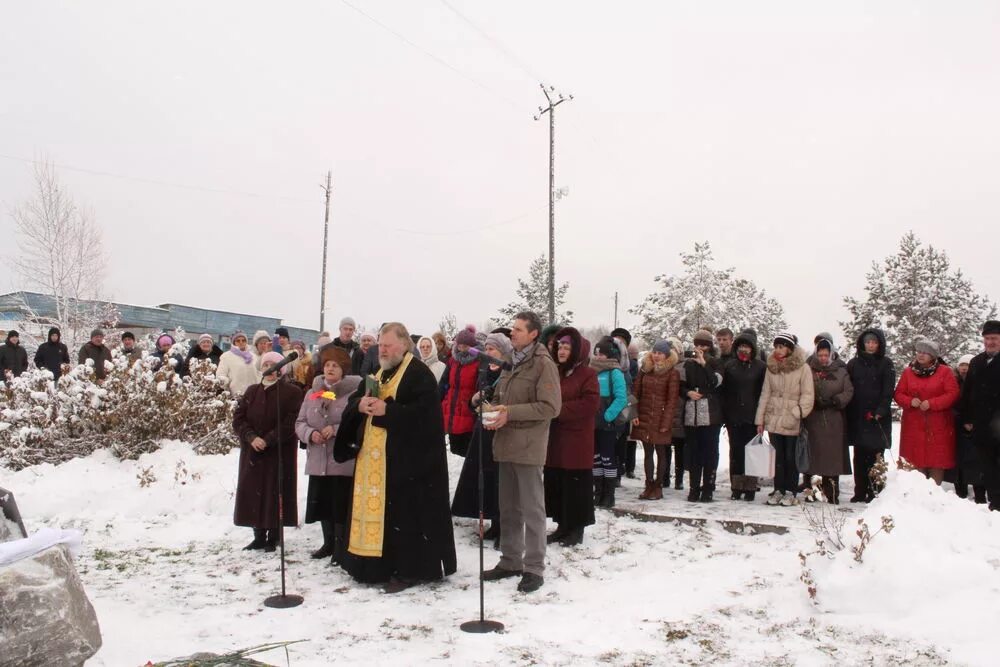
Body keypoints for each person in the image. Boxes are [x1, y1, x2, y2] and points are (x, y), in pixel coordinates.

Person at [333, 323, 457, 592]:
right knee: (385, 517)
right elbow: (356, 400)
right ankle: (372, 565)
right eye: (381, 344)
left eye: (388, 345)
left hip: (410, 465)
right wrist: (361, 405)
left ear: (404, 345)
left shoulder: (418, 374)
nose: (383, 349)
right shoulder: (380, 371)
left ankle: (410, 569)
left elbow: (426, 419)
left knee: (406, 518)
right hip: (378, 461)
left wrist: (388, 412)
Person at [482, 311, 561, 594]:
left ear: (533, 334)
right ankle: (511, 560)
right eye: (512, 329)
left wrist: (509, 412)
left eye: (517, 329)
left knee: (532, 510)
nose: (511, 333)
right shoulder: (510, 363)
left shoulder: (543, 364)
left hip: (528, 447)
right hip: (505, 445)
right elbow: (503, 396)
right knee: (509, 509)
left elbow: (550, 407)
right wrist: (487, 400)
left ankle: (534, 568)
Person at [295, 346, 361, 563]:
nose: (330, 368)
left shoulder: (353, 392)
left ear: (343, 370)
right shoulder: (313, 392)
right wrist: (311, 433)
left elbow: (357, 422)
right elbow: (300, 422)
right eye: (327, 365)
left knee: (339, 505)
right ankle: (328, 543)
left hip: (340, 459)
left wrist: (335, 428)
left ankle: (341, 548)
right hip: (318, 459)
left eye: (335, 365)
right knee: (323, 504)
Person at [232, 352, 304, 552]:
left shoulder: (291, 392)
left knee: (275, 491)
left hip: (278, 451)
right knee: (255, 491)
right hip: (253, 451)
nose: (270, 368)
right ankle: (258, 535)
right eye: (266, 364)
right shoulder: (252, 391)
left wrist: (269, 439)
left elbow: (291, 421)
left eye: (274, 364)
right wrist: (251, 437)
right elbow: (239, 419)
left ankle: (274, 535)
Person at [452, 332, 511, 545]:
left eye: (493, 349)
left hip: (502, 430)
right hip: (483, 429)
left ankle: (504, 525)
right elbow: (474, 401)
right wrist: (474, 400)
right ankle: (494, 522)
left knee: (500, 479)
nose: (488, 353)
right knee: (485, 477)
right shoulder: (485, 370)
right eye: (486, 349)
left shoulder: (509, 371)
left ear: (504, 352)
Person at [545, 327, 600, 546]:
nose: (562, 350)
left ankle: (576, 528)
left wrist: (557, 409)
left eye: (567, 346)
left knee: (576, 486)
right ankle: (562, 525)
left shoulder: (588, 374)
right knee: (558, 483)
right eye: (560, 346)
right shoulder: (555, 371)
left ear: (577, 350)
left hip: (576, 441)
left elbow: (590, 403)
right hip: (555, 441)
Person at [756, 332, 814, 507]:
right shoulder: (771, 367)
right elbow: (765, 394)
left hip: (791, 420)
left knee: (791, 457)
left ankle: (790, 491)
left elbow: (808, 395)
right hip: (774, 419)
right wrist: (760, 419)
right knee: (778, 458)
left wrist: (797, 413)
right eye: (776, 347)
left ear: (789, 348)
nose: (778, 350)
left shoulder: (803, 368)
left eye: (781, 347)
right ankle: (778, 489)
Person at [893, 337, 960, 486]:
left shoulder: (945, 372)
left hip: (938, 424)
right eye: (919, 352)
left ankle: (934, 495)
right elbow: (898, 394)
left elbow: (953, 393)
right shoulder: (908, 372)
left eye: (926, 353)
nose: (921, 355)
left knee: (936, 461)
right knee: (915, 461)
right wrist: (910, 401)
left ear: (933, 356)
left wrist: (932, 403)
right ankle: (916, 495)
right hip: (913, 423)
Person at [846, 328, 895, 503]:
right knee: (859, 456)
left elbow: (888, 390)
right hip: (858, 416)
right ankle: (860, 490)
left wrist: (881, 410)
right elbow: (848, 387)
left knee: (876, 457)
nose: (871, 345)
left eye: (874, 342)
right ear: (862, 343)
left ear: (879, 344)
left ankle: (875, 490)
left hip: (877, 418)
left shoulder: (886, 363)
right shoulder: (853, 363)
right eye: (868, 342)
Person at [803, 337, 854, 503]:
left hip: (833, 418)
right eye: (820, 355)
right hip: (814, 417)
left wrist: (835, 400)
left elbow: (848, 391)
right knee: (814, 455)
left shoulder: (840, 370)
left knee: (832, 457)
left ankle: (832, 491)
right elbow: (802, 387)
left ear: (831, 354)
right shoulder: (809, 369)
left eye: (826, 355)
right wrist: (812, 400)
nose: (823, 358)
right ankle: (812, 491)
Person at [631, 340, 680, 500]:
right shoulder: (644, 370)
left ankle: (658, 485)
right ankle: (649, 484)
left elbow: (672, 400)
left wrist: (666, 422)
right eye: (655, 352)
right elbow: (635, 393)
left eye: (660, 353)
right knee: (647, 453)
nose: (657, 356)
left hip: (660, 418)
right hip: (644, 416)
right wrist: (634, 414)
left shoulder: (672, 373)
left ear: (666, 355)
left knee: (661, 452)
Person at [721, 329, 766, 501]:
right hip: (734, 417)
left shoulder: (760, 367)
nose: (744, 350)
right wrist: (726, 415)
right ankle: (736, 486)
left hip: (752, 416)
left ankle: (750, 487)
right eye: (741, 346)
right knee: (736, 452)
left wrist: (762, 417)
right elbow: (725, 392)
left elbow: (763, 393)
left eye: (747, 346)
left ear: (752, 348)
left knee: (752, 453)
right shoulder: (730, 366)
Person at [681, 330, 725, 502]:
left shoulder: (716, 363)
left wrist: (704, 363)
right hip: (692, 414)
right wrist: (688, 393)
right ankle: (693, 488)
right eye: (697, 345)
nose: (700, 349)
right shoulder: (687, 364)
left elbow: (715, 382)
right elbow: (680, 386)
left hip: (711, 415)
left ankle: (708, 488)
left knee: (710, 452)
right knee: (693, 452)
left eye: (704, 345)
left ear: (710, 346)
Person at [960, 321, 1000, 510]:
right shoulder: (976, 362)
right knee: (987, 465)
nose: (990, 342)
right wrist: (967, 418)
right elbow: (967, 393)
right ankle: (995, 502)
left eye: (994, 338)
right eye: (987, 338)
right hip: (982, 425)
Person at [589, 336, 629, 508]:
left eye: (601, 354)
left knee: (607, 457)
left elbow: (621, 398)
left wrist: (607, 416)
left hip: (607, 423)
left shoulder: (615, 372)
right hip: (592, 423)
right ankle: (598, 492)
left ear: (609, 355)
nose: (598, 357)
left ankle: (609, 494)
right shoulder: (592, 371)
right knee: (595, 458)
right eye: (596, 353)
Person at [439, 325, 480, 457]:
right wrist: (440, 400)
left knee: (468, 451)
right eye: (459, 345)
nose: (461, 348)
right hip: (451, 409)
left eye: (465, 345)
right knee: (455, 449)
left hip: (468, 409)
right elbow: (444, 383)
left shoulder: (478, 361)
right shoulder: (452, 361)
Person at [953, 354, 985, 502]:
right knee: (959, 462)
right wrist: (962, 419)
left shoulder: (980, 382)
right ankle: (961, 491)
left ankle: (979, 493)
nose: (964, 368)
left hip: (978, 426)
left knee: (979, 461)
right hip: (957, 426)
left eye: (967, 365)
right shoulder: (953, 382)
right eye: (962, 365)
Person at [610, 328, 637, 482]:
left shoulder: (630, 365)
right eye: (616, 340)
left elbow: (631, 388)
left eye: (623, 340)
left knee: (622, 442)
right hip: (608, 406)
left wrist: (633, 413)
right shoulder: (606, 362)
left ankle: (618, 474)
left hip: (625, 406)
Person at [217, 331, 261, 397]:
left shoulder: (254, 356)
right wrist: (226, 386)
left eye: (243, 340)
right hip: (235, 395)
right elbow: (221, 374)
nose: (241, 342)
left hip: (253, 395)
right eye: (238, 340)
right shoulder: (226, 356)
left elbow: (259, 373)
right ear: (234, 342)